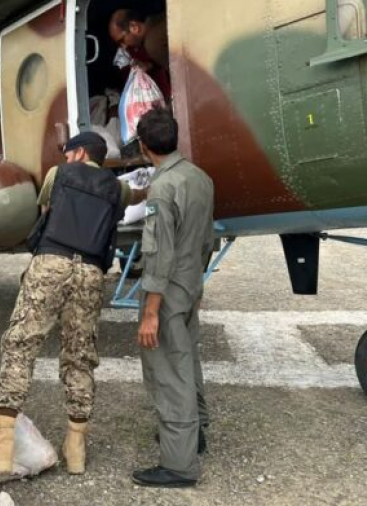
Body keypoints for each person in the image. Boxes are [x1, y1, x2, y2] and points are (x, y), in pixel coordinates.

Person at [0, 132, 145, 477]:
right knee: (80, 355)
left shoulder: (58, 175)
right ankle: (76, 446)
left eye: (67, 152)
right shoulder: (115, 187)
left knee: (21, 345)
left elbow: (47, 210)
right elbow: (127, 200)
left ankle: (1, 447)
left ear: (77, 154)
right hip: (90, 271)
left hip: (52, 262)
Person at [130, 109, 214, 488]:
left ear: (145, 147)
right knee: (188, 361)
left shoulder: (162, 189)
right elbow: (206, 240)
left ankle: (179, 465)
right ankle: (195, 435)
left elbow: (158, 254)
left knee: (168, 372)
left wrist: (150, 312)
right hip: (190, 282)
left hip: (167, 292)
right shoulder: (200, 178)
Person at [109, 8, 172, 105]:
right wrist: (149, 66)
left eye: (122, 40)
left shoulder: (152, 43)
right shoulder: (154, 21)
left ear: (134, 27)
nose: (124, 46)